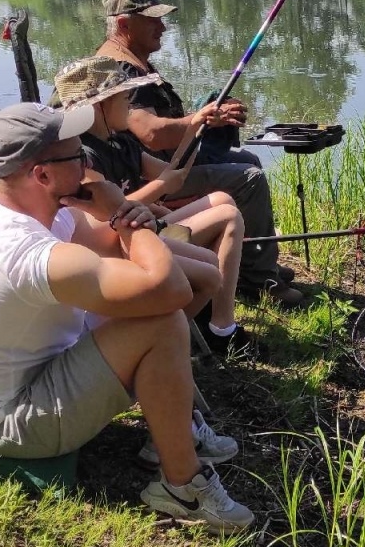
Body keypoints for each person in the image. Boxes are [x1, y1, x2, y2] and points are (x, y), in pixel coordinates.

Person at [0, 102, 254, 533]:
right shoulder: (24, 251)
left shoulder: (32, 210)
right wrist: (124, 215)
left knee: (200, 274)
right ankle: (182, 486)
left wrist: (120, 218)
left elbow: (164, 268)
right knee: (162, 322)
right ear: (41, 174)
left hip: (36, 373)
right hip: (10, 424)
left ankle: (169, 421)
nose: (88, 163)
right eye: (76, 156)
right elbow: (167, 290)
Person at [52, 56, 285, 347]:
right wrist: (159, 189)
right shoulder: (82, 155)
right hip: (117, 242)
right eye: (125, 97)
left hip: (141, 226)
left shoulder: (121, 142)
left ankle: (211, 313)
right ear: (101, 105)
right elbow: (103, 214)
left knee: (222, 200)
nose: (130, 103)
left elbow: (173, 174)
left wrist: (195, 128)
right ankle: (221, 329)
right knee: (228, 217)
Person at [93, 0, 299, 302]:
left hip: (173, 163)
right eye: (153, 20)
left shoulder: (134, 58)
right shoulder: (120, 69)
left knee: (249, 161)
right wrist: (199, 120)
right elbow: (151, 132)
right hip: (151, 175)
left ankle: (255, 260)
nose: (162, 26)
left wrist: (207, 119)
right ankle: (259, 281)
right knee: (250, 179)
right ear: (123, 24)